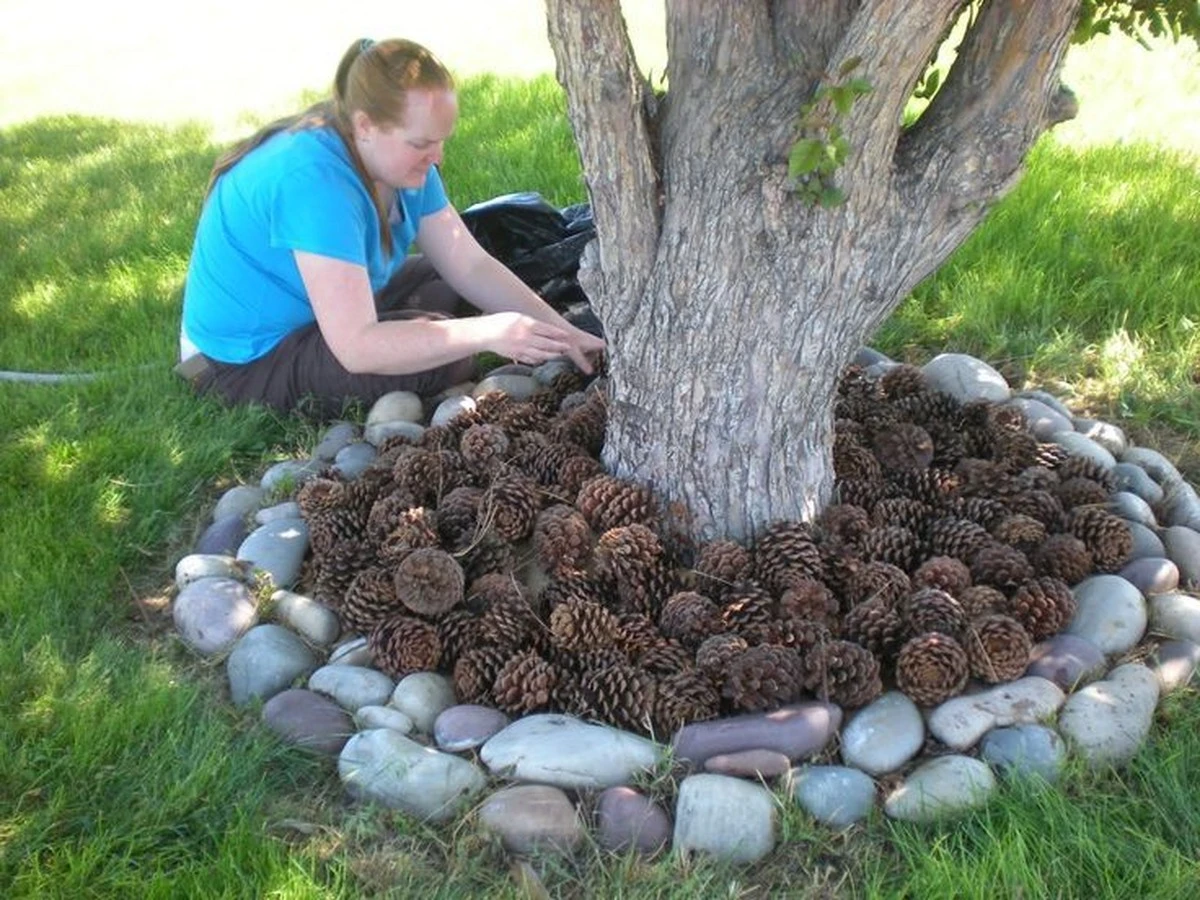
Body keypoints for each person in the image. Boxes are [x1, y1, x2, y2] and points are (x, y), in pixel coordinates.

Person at [177, 37, 604, 416]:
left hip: (317, 308)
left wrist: (565, 334)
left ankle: (425, 328)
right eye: (420, 144)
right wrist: (487, 332)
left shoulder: (397, 164)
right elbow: (357, 347)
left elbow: (468, 264)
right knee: (448, 358)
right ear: (364, 125)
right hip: (247, 360)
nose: (437, 158)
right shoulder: (315, 184)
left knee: (455, 285)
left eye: (440, 140)